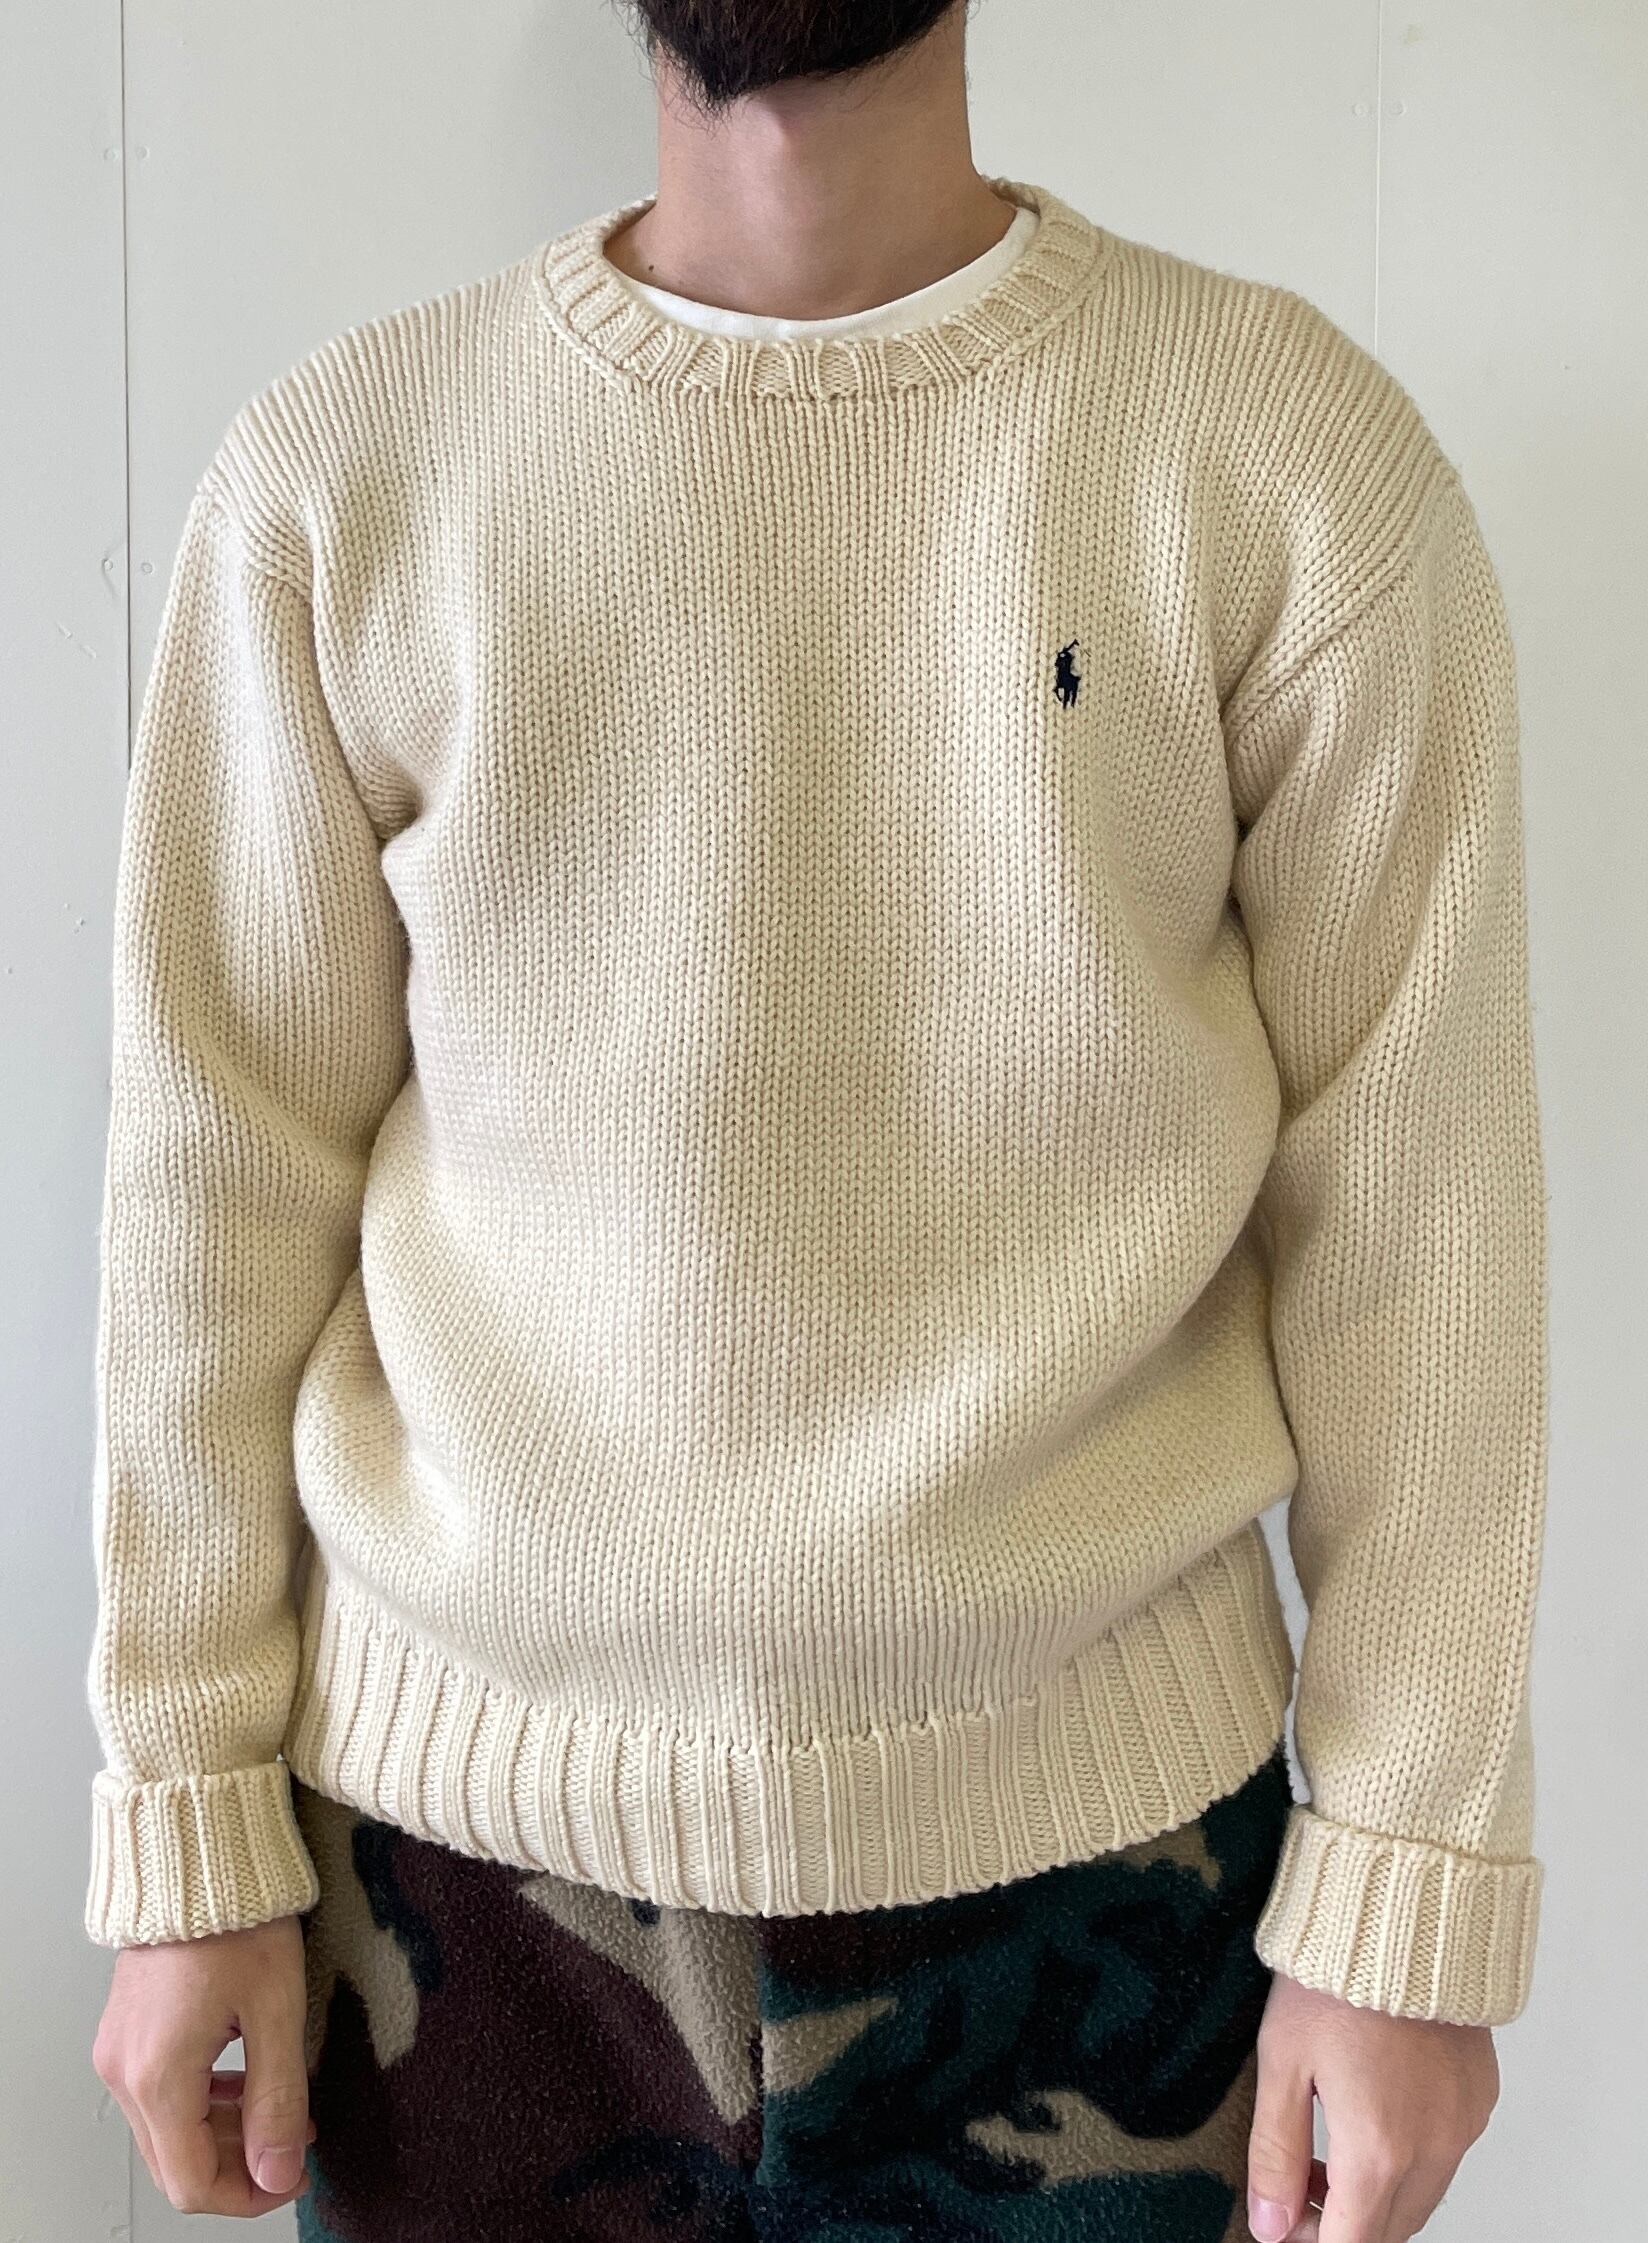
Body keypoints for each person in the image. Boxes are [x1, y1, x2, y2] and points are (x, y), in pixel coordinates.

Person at [82, 2, 1549, 2238]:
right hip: (453, 1903)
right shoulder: (345, 477)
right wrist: (187, 1823)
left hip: (1114, 1886)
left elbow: (1415, 1217)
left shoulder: (1280, 462)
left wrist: (1409, 1887)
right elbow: (215, 1189)